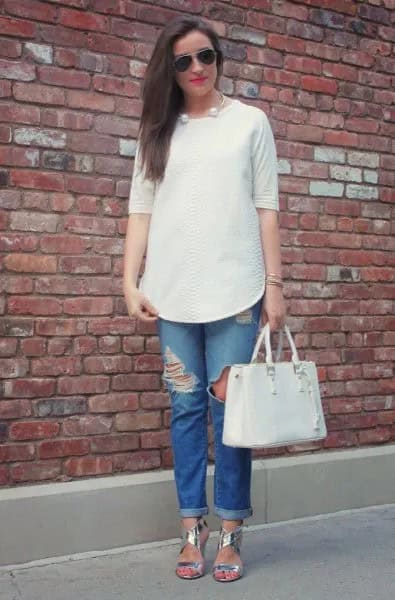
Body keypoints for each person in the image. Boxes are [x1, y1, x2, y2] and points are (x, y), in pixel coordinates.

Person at [123, 15, 286, 583]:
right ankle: (191, 529)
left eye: (205, 57)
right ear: (169, 70)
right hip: (171, 296)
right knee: (186, 410)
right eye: (183, 61)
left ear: (220, 60)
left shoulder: (249, 122)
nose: (196, 68)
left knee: (230, 415)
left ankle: (231, 531)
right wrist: (129, 280)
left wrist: (275, 285)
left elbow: (266, 205)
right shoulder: (156, 130)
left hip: (237, 293)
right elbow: (139, 210)